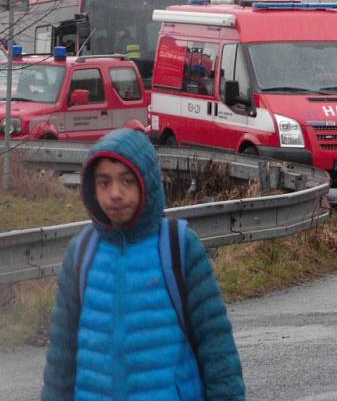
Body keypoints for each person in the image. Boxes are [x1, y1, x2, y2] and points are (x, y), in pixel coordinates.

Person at [41, 128, 245, 400]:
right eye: (104, 182)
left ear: (146, 183)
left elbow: (218, 351)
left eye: (127, 181)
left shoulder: (179, 247)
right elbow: (60, 359)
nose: (115, 193)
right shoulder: (82, 252)